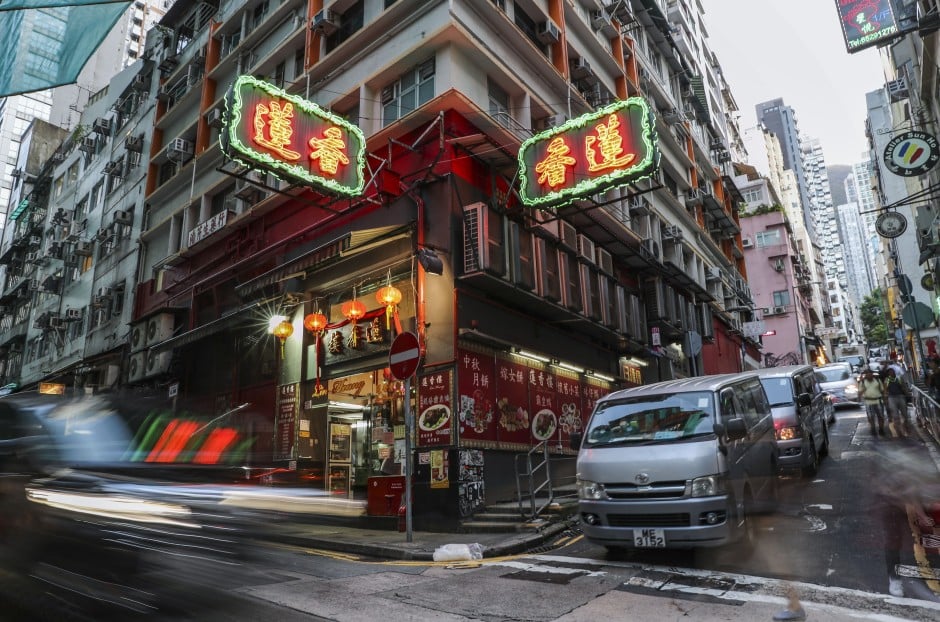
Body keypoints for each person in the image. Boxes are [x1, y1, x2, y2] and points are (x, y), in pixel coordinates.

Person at [859, 365, 887, 437]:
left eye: (870, 374)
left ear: (872, 375)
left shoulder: (877, 380)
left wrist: (885, 398)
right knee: (871, 417)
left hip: (878, 401)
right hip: (868, 402)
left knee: (880, 416)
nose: (869, 376)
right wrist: (862, 392)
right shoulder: (863, 382)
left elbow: (882, 390)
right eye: (867, 375)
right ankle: (873, 429)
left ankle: (881, 429)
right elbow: (860, 392)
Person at [883, 368, 912, 435]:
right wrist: (885, 399)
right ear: (888, 374)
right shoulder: (887, 380)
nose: (891, 373)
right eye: (890, 372)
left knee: (904, 413)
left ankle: (906, 425)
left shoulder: (899, 378)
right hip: (891, 398)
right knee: (895, 414)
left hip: (900, 396)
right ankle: (898, 429)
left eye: (892, 372)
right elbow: (885, 390)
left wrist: (907, 394)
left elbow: (903, 387)